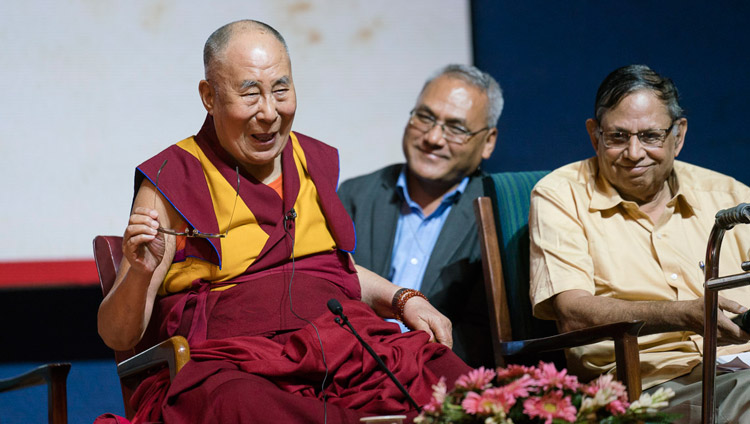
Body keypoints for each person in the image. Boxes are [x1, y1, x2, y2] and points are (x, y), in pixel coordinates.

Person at [96, 20, 471, 424]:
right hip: (234, 364)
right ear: (209, 96)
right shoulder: (174, 179)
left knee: (461, 385)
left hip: (343, 348)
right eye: (250, 93)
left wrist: (403, 298)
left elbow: (334, 272)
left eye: (281, 89)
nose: (269, 113)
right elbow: (119, 337)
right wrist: (138, 273)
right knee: (239, 403)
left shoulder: (309, 161)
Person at [529, 64, 750, 422]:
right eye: (618, 137)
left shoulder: (728, 194)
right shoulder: (560, 194)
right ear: (594, 135)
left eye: (650, 136)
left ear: (678, 137)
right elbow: (572, 313)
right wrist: (680, 315)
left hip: (739, 367)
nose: (634, 153)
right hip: (647, 386)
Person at [338, 64, 501, 368]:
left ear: (488, 141)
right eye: (425, 118)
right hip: (357, 368)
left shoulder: (498, 209)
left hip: (451, 378)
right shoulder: (356, 195)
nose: (434, 138)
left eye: (456, 128)